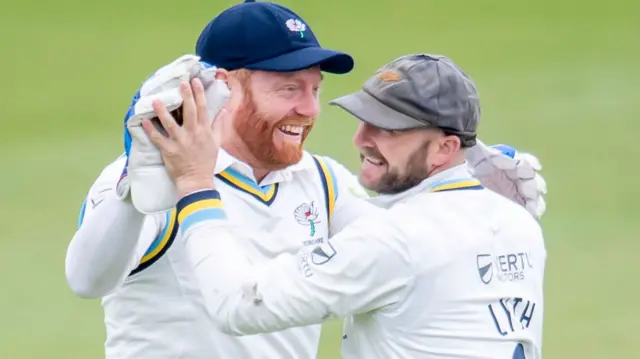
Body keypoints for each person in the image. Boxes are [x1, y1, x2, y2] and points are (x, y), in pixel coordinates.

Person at [65, 1, 546, 359]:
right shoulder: (153, 174)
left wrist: (466, 180)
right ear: (224, 86)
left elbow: (407, 243)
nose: (309, 110)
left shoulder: (321, 181)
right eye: (289, 89)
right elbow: (87, 280)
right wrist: (136, 190)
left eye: (316, 89)